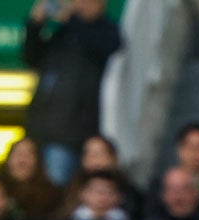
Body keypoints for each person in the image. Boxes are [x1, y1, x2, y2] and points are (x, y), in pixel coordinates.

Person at [22, 0, 123, 186]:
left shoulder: (106, 31)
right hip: (39, 130)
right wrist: (35, 25)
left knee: (57, 189)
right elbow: (32, 57)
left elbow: (105, 48)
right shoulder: (63, 34)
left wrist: (72, 19)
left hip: (71, 135)